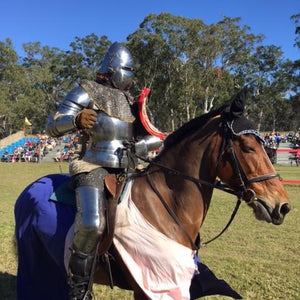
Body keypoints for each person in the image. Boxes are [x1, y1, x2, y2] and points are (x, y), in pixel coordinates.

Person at [46, 42, 163, 300]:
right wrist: (75, 120)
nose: (130, 75)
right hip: (92, 164)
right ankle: (79, 291)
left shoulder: (133, 102)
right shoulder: (87, 90)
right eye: (127, 69)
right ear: (112, 69)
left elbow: (157, 136)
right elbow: (51, 124)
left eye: (132, 70)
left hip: (131, 167)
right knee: (92, 223)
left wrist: (140, 144)